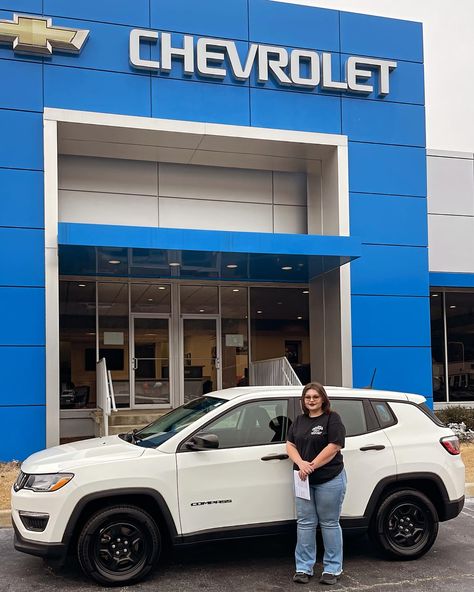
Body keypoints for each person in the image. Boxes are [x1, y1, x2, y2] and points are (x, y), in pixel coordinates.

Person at [286, 382, 346, 586]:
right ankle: (303, 567)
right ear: (303, 401)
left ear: (323, 399)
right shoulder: (299, 421)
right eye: (307, 397)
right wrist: (300, 463)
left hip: (328, 478)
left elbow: (334, 446)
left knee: (329, 523)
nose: (311, 400)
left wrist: (311, 465)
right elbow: (290, 444)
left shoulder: (332, 419)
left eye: (315, 397)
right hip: (303, 479)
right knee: (305, 524)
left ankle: (332, 569)